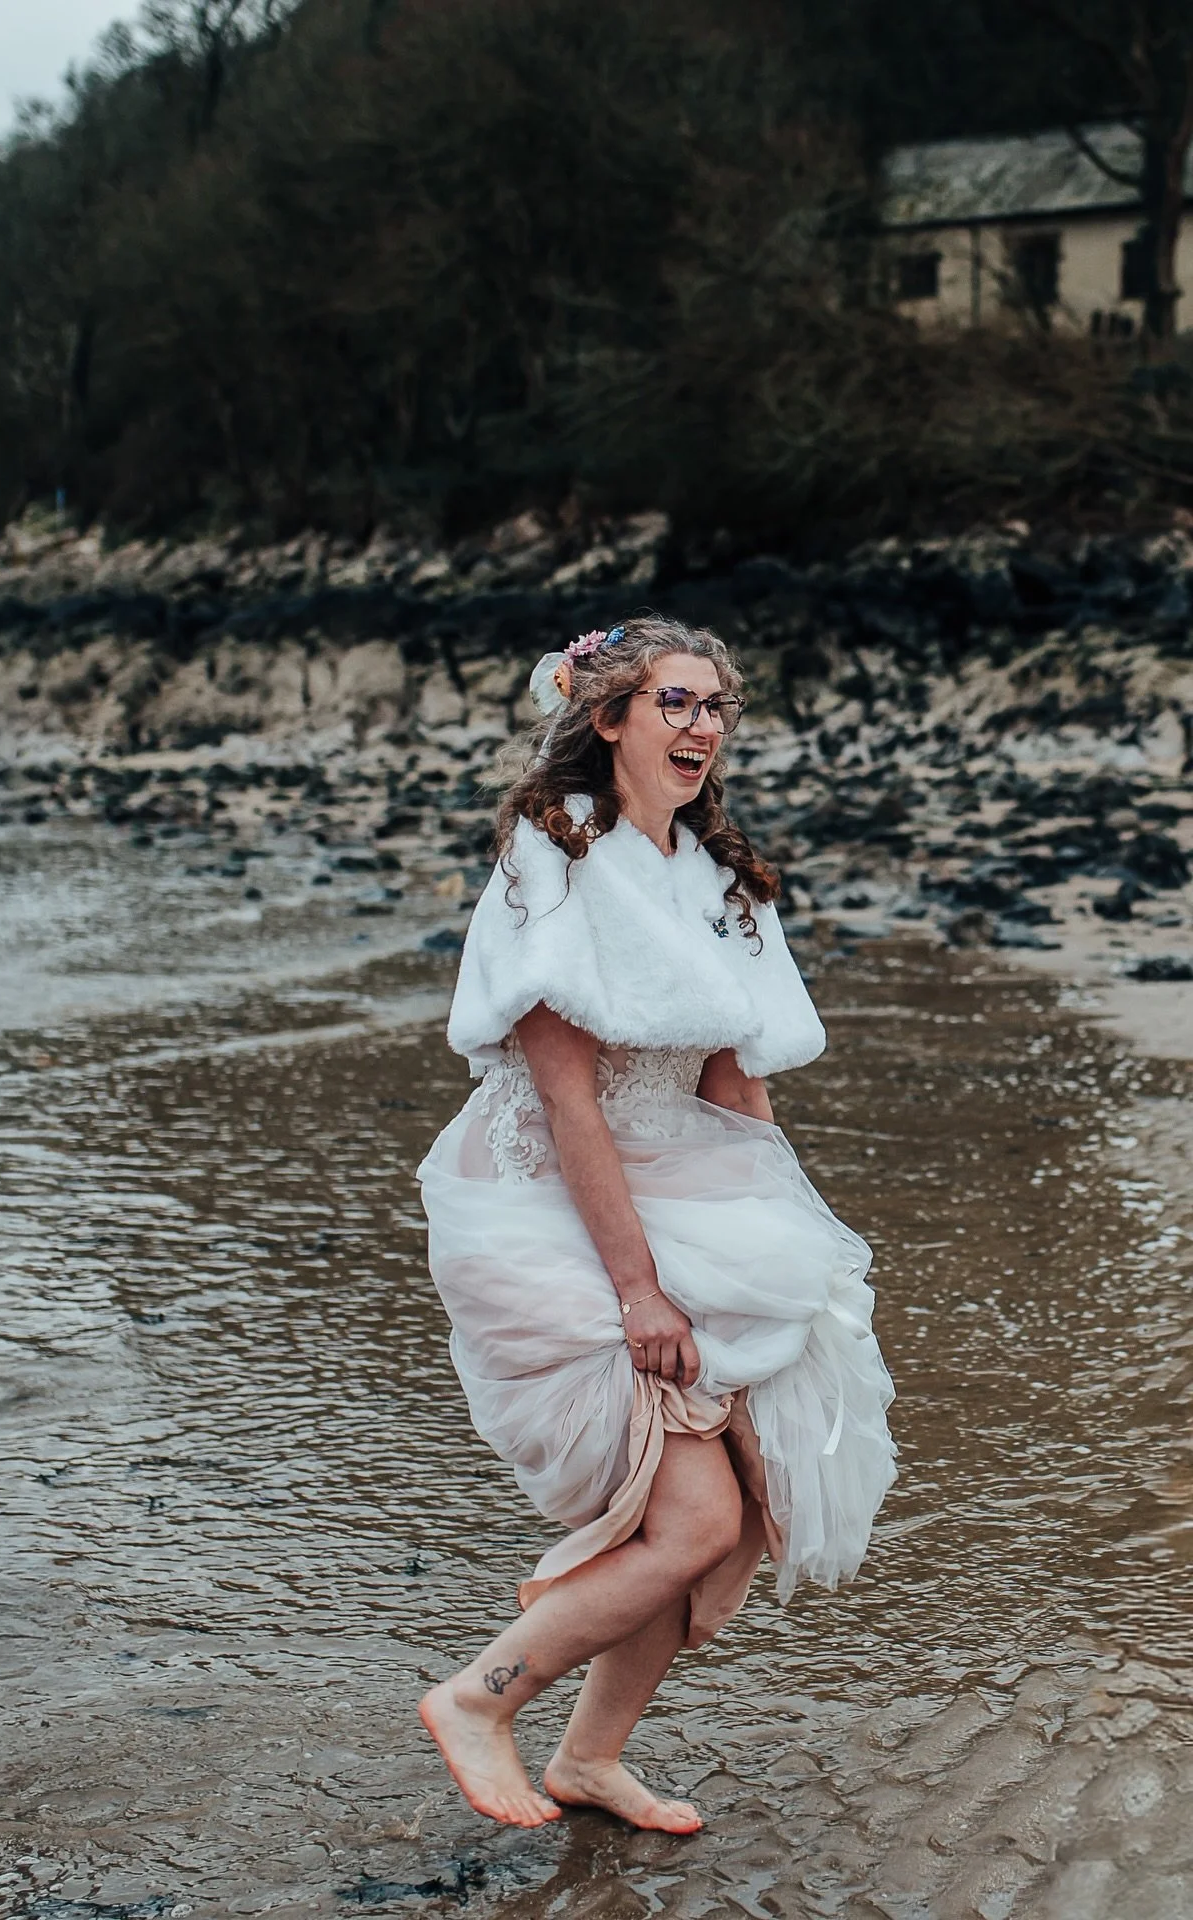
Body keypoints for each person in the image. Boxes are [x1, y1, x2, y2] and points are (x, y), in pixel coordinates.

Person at [415, 616, 896, 1834]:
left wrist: (788, 1241)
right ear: (609, 719)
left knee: (743, 1516)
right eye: (675, 703)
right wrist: (642, 1294)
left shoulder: (721, 880)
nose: (701, 726)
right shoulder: (550, 859)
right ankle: (479, 1698)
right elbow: (567, 1097)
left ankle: (589, 1756)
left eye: (716, 706)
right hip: (552, 1208)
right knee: (692, 1517)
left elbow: (737, 1090)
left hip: (694, 1191)